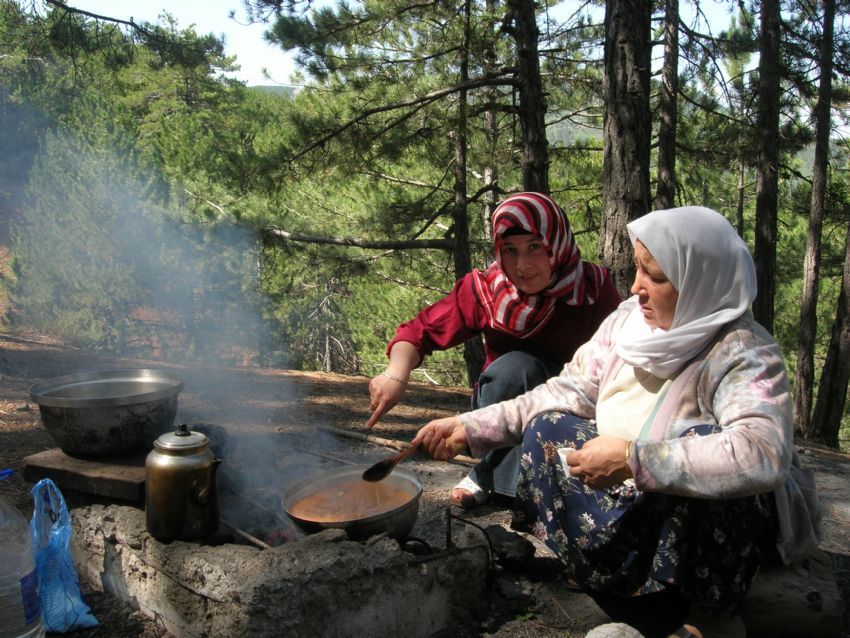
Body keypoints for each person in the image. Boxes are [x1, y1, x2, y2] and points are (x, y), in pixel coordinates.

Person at [411, 206, 821, 638]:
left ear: (701, 283)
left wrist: (634, 459)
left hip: (678, 506)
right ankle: (600, 572)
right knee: (547, 427)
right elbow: (567, 390)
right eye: (639, 271)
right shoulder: (628, 320)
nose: (637, 288)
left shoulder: (743, 352)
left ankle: (709, 616)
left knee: (711, 452)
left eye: (656, 277)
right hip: (629, 483)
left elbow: (762, 452)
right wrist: (471, 427)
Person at [367, 192, 621, 508]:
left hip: (574, 404)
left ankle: (504, 476)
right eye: (510, 251)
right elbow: (419, 332)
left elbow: (619, 359)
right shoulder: (487, 289)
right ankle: (500, 481)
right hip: (502, 402)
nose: (522, 265)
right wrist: (396, 374)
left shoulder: (592, 289)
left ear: (556, 245)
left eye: (534, 248)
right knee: (515, 368)